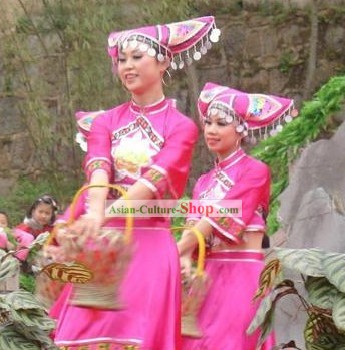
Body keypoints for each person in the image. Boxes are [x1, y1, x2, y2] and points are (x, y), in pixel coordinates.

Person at [51, 16, 221, 350]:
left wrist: (103, 214)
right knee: (83, 337)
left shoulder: (181, 127)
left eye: (137, 57)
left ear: (164, 61)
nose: (127, 66)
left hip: (150, 248)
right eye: (121, 60)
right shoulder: (106, 121)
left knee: (139, 339)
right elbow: (98, 170)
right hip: (103, 247)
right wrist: (94, 214)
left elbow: (155, 179)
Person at [178, 82, 298, 350]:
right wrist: (184, 256)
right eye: (208, 122)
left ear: (241, 130)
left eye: (221, 123)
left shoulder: (255, 171)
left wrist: (177, 250)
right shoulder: (203, 183)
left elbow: (219, 216)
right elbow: (192, 227)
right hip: (206, 277)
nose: (211, 129)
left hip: (241, 277)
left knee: (232, 342)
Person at [14, 194, 58, 261]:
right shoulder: (25, 227)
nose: (43, 216)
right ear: (33, 211)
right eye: (40, 212)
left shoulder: (52, 230)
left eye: (47, 213)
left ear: (52, 215)